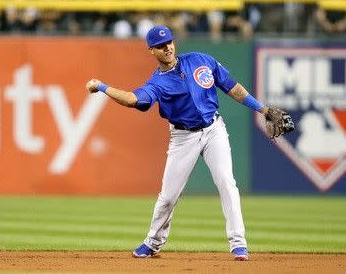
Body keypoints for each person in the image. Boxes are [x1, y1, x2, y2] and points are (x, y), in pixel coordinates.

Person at [86, 26, 270, 261]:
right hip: (183, 138)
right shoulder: (157, 83)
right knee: (168, 196)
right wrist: (102, 87)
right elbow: (133, 99)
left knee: (227, 182)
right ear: (152, 51)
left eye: (170, 42)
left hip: (214, 129)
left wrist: (263, 109)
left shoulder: (201, 60)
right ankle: (152, 243)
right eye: (162, 46)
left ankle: (238, 244)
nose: (168, 47)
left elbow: (233, 89)